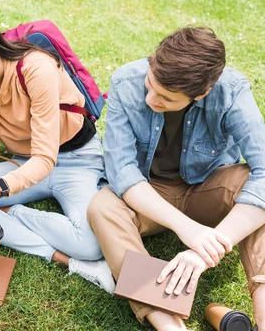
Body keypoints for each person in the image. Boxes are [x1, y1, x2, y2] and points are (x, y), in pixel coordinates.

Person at [87, 27, 265, 330]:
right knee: (102, 207)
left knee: (253, 188)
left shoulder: (232, 90)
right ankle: (168, 323)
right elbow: (124, 174)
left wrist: (203, 251)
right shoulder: (125, 81)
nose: (151, 98)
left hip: (209, 187)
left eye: (166, 98)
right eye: (150, 84)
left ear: (202, 93)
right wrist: (187, 229)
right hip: (150, 194)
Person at [0, 5, 114, 293]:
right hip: (23, 163)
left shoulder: (35, 68)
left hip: (76, 161)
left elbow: (45, 157)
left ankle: (11, 212)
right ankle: (62, 259)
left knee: (90, 244)